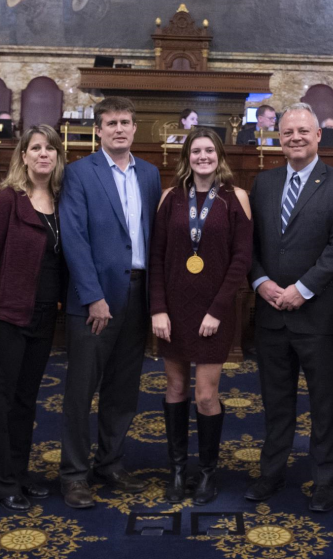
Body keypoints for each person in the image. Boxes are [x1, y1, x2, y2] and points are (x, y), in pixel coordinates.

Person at [246, 102, 333, 512]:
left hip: (317, 316)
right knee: (275, 403)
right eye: (287, 132)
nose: (295, 138)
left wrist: (303, 289)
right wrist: (260, 283)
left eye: (302, 131)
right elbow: (248, 244)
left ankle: (325, 480)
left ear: (317, 136)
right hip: (271, 314)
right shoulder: (263, 183)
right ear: (279, 139)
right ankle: (271, 472)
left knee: (324, 404)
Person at [58, 96, 162, 509]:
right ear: (99, 130)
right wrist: (93, 296)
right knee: (81, 391)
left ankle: (110, 463)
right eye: (111, 123)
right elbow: (74, 238)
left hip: (137, 294)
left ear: (135, 128)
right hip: (95, 302)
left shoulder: (150, 174)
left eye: (125, 122)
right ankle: (73, 475)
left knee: (123, 389)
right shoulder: (79, 173)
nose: (119, 129)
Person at [150, 128, 252, 505]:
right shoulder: (170, 198)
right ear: (187, 157)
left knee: (206, 395)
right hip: (173, 311)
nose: (203, 156)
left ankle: (208, 471)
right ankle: (177, 470)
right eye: (196, 151)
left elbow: (242, 259)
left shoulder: (235, 197)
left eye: (210, 150)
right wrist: (158, 308)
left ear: (219, 156)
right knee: (175, 388)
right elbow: (156, 257)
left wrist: (217, 310)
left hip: (215, 312)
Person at [0, 124, 67, 512]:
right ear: (23, 156)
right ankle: (0, 482)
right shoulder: (6, 201)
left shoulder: (61, 202)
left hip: (43, 316)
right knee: (0, 401)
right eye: (36, 148)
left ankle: (18, 471)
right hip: (8, 317)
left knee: (26, 401)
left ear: (58, 157)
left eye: (51, 148)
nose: (44, 154)